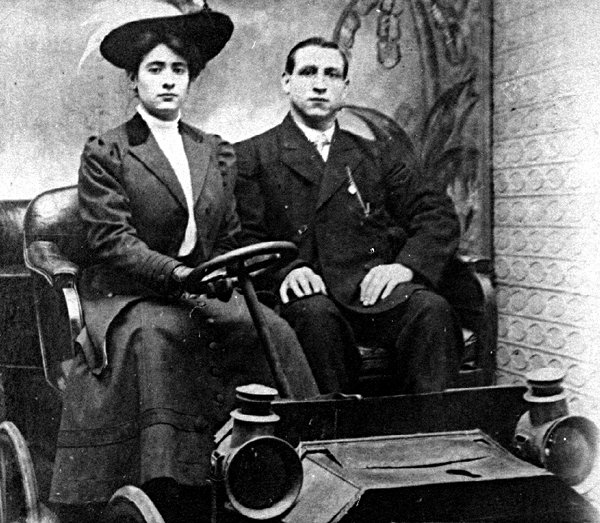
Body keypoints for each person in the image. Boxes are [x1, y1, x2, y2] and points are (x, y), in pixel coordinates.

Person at [49, 10, 319, 522]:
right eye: (155, 69)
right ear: (133, 80)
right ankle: (172, 488)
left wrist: (225, 274)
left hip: (199, 289)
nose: (169, 79)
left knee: (272, 331)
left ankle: (287, 465)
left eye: (179, 69)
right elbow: (113, 241)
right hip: (130, 295)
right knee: (158, 337)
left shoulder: (213, 150)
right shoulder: (108, 151)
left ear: (190, 79)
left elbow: (229, 235)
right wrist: (176, 275)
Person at [234, 37, 463, 395]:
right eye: (308, 72)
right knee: (314, 320)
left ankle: (432, 427)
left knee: (431, 310)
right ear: (286, 82)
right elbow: (244, 235)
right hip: (307, 294)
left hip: (373, 292)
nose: (320, 84)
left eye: (332, 75)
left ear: (345, 88)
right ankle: (330, 429)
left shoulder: (377, 154)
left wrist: (405, 267)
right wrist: (286, 271)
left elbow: (436, 214)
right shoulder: (250, 156)